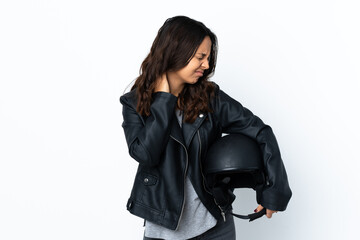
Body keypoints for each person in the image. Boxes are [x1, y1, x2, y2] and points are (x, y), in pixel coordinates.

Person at [120, 16, 292, 240]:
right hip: (162, 231)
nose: (207, 65)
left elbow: (261, 131)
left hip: (215, 228)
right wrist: (164, 99)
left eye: (208, 58)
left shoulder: (210, 98)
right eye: (200, 57)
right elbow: (146, 154)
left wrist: (273, 192)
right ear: (175, 52)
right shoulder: (134, 103)